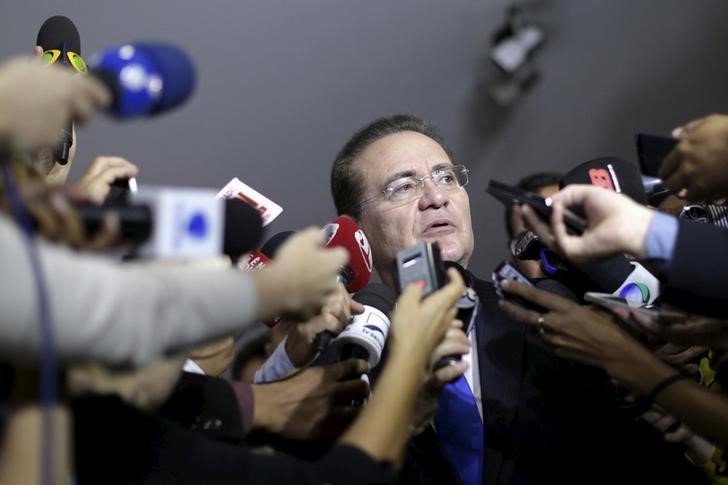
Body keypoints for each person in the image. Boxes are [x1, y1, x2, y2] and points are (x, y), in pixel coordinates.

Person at [329, 114, 707, 484]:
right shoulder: (342, 369)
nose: (435, 197)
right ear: (355, 231)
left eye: (446, 177)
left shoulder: (555, 312)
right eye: (403, 187)